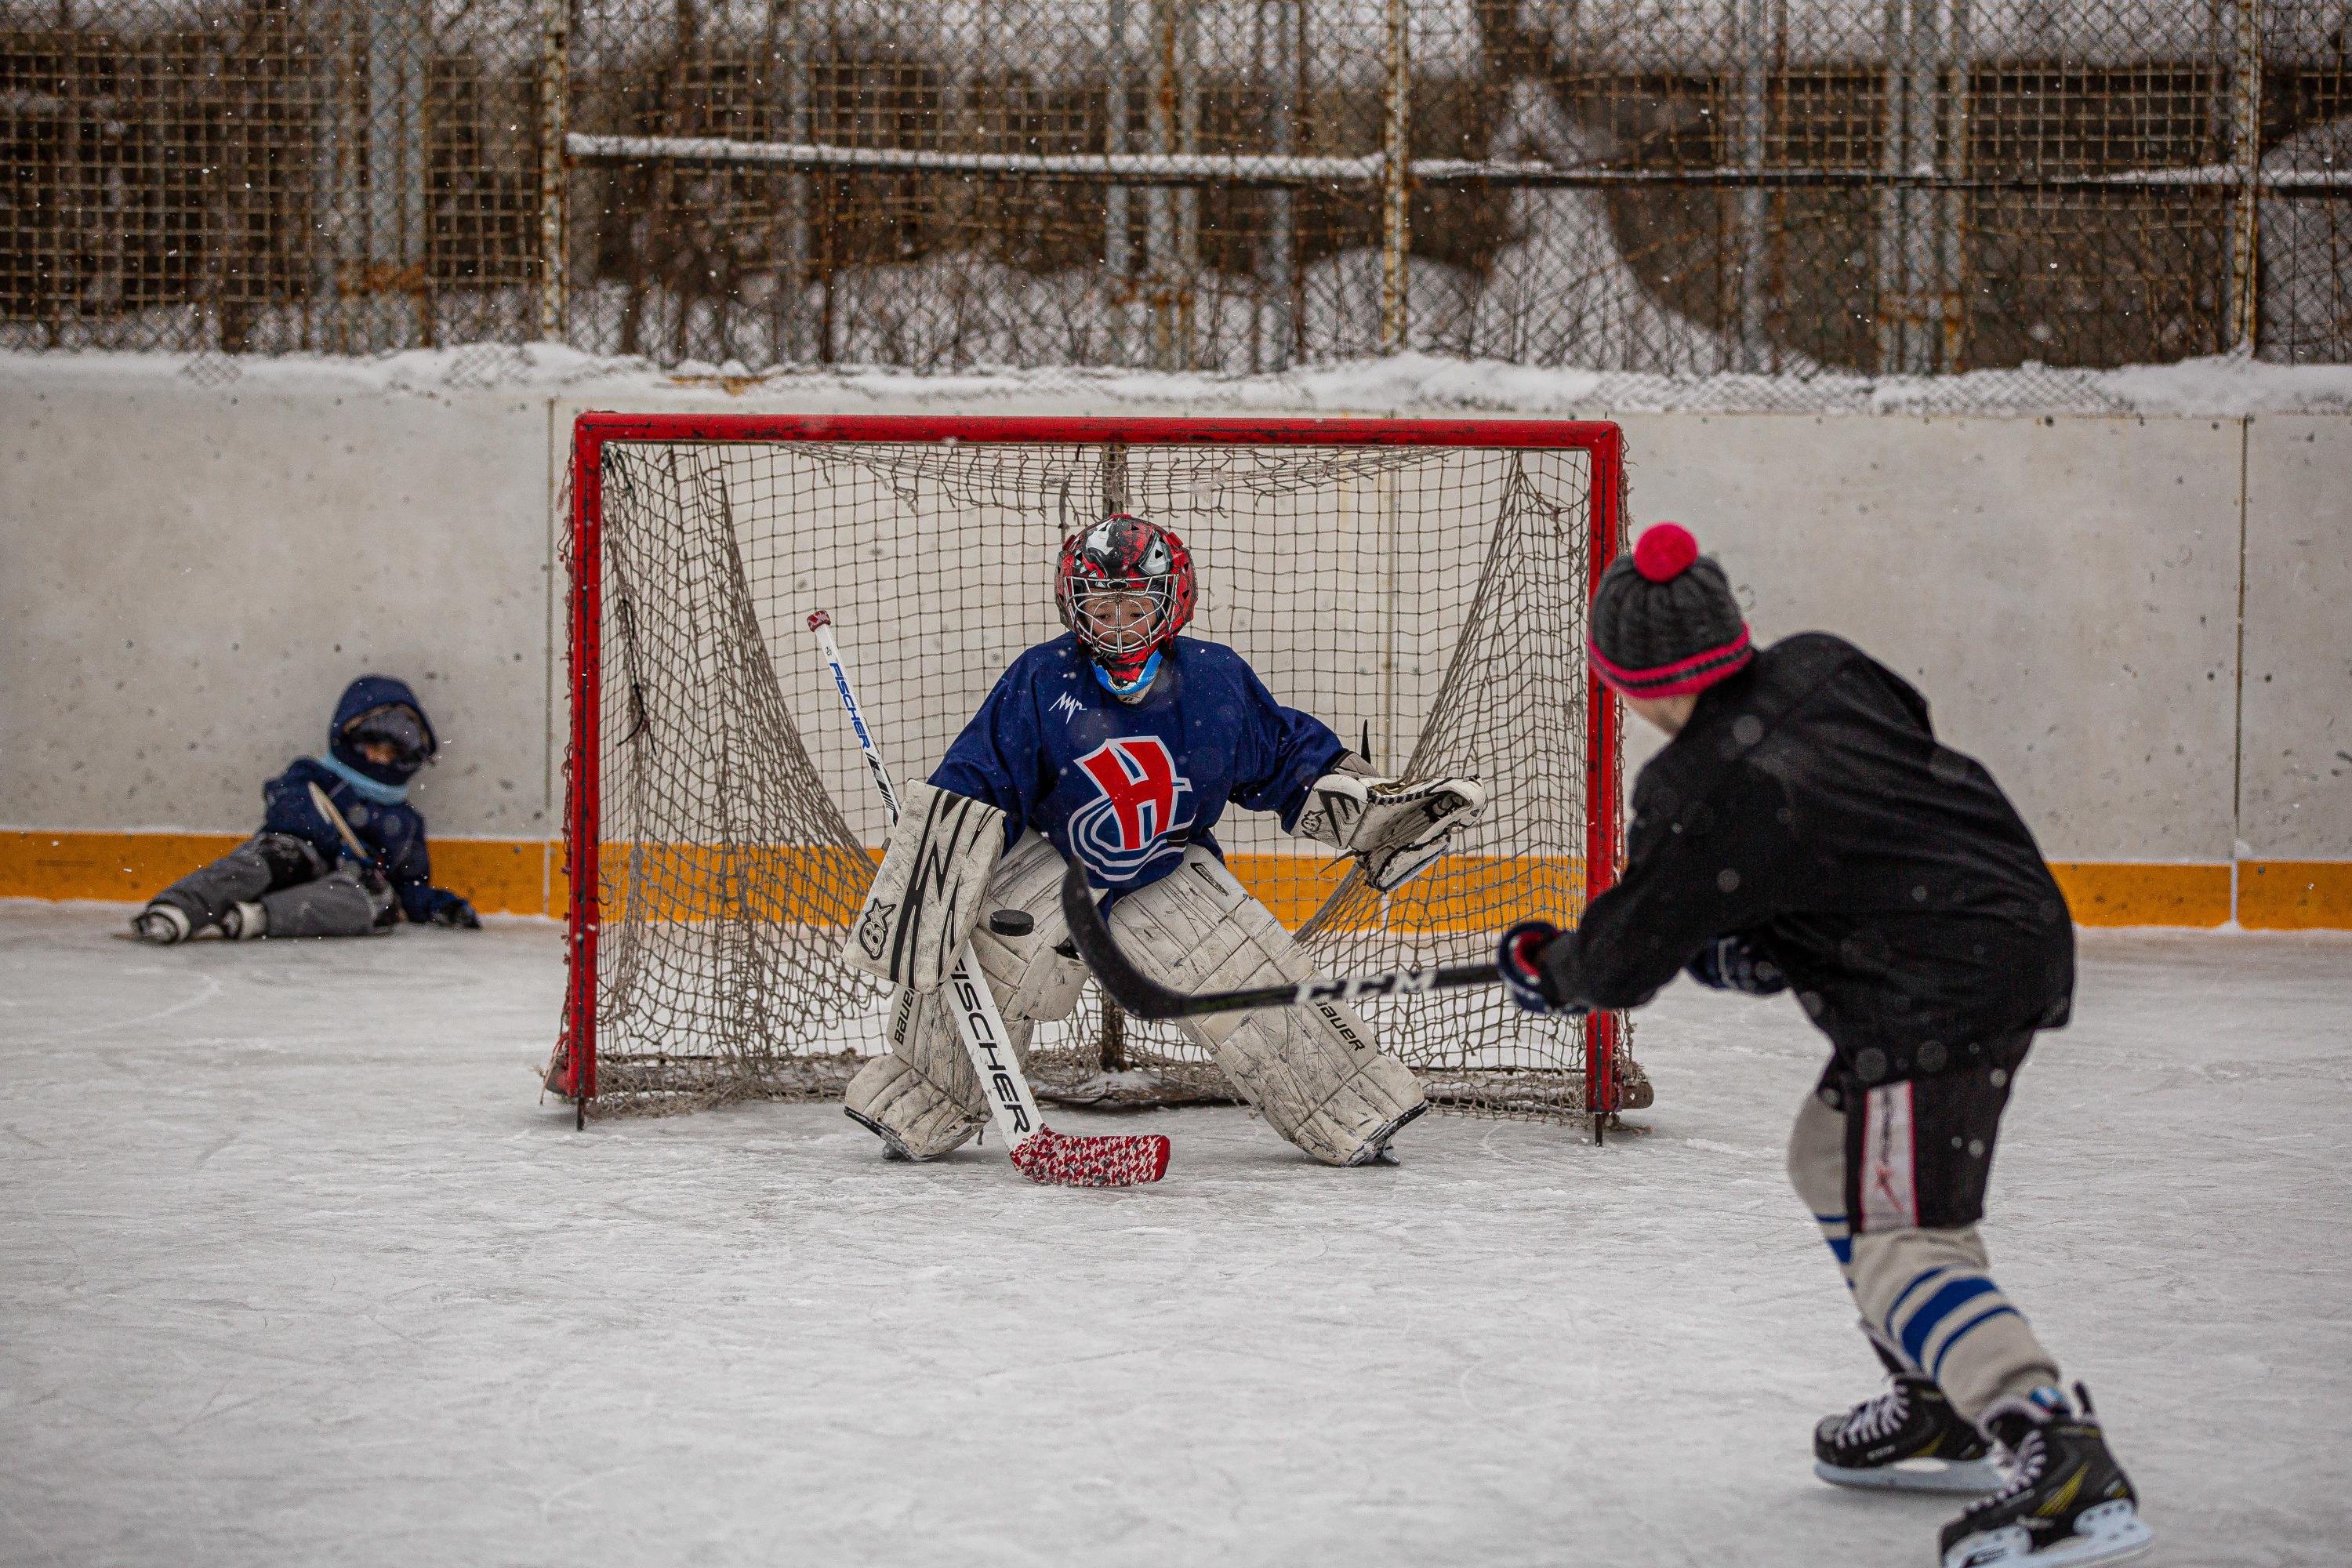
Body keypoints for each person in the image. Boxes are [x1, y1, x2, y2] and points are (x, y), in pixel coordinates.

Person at [1493, 524, 2150, 1568]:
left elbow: (1624, 961)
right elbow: (1866, 817)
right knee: (1824, 1153)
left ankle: (2052, 1453)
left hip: (1927, 997)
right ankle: (1937, 1402)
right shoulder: (1824, 666)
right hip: (2004, 926)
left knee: (1903, 1240)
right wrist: (1773, 939)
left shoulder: (1696, 790)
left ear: (1635, 681)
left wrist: (1551, 966)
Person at [837, 513, 1486, 1167]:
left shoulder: (1213, 680)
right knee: (981, 945)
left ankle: (1348, 1104)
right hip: (1056, 861)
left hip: (1166, 868)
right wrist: (935, 866)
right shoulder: (1042, 678)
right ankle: (923, 1092)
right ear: (1073, 604)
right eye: (1102, 605)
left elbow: (1282, 756)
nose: (1118, 623)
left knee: (1246, 974)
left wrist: (1364, 809)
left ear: (1172, 601)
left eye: (1135, 604)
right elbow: (983, 777)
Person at [132, 676, 480, 943]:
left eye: (391, 752)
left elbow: (408, 885)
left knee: (375, 901)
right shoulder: (312, 777)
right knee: (269, 856)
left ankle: (257, 918)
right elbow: (287, 813)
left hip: (339, 890)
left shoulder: (404, 823)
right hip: (294, 861)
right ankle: (178, 907)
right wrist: (337, 847)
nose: (379, 758)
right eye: (371, 745)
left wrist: (438, 905)